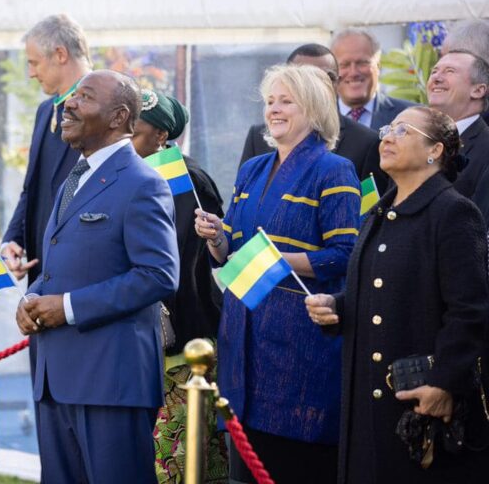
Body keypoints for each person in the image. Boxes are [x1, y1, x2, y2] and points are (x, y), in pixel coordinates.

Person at [195, 65, 360, 484]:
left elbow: (346, 254)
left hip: (296, 346)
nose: (274, 109)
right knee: (242, 469)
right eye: (270, 101)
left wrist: (278, 261)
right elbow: (228, 249)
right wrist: (214, 235)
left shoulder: (333, 169)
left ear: (315, 108)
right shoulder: (252, 169)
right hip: (242, 336)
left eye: (286, 100)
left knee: (290, 468)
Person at [306, 106, 489, 484]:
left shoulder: (453, 212)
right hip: (367, 405)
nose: (386, 136)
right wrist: (337, 307)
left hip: (419, 407)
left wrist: (444, 383)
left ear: (434, 150)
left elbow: (469, 311)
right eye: (388, 128)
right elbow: (380, 288)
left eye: (402, 131)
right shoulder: (379, 212)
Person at [15, 70, 180, 484]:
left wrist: (67, 308)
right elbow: (61, 263)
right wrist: (32, 298)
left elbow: (158, 275)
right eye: (71, 96)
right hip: (56, 380)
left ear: (118, 116)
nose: (69, 104)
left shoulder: (143, 183)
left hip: (110, 383)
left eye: (84, 97)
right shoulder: (77, 176)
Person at [132, 90, 228, 482]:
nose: (125, 139)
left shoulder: (190, 180)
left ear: (161, 136)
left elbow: (201, 262)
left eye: (134, 132)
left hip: (187, 341)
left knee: (182, 463)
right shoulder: (123, 176)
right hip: (141, 348)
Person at [2, 14, 92, 283]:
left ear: (60, 54)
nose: (31, 73)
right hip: (42, 273)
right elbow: (32, 187)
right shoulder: (46, 110)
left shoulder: (106, 107)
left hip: (83, 273)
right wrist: (12, 240)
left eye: (34, 63)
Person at [239, 42, 387, 191]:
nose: (317, 85)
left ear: (338, 82)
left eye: (326, 77)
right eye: (305, 78)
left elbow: (371, 211)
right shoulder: (258, 138)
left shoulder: (366, 143)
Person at [427, 50, 489, 200]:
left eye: (450, 71)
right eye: (434, 71)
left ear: (478, 90)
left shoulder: (486, 147)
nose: (436, 78)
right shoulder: (416, 140)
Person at [331, 28, 415, 129]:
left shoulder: (410, 117)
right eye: (344, 64)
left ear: (378, 65)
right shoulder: (316, 119)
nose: (353, 72)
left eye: (362, 63)